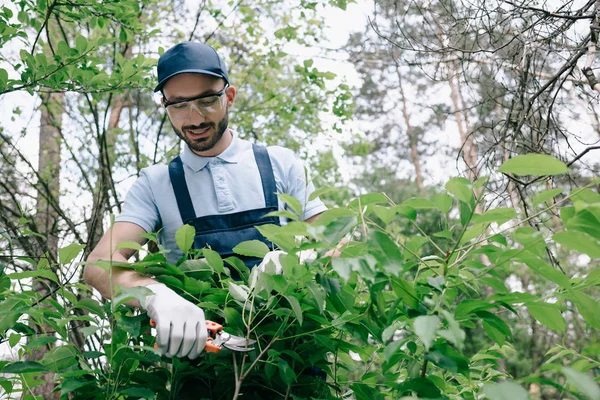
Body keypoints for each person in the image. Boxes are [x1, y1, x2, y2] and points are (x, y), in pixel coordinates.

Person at [83, 42, 327, 361]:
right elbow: (98, 266)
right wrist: (156, 295)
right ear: (164, 106)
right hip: (201, 370)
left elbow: (337, 242)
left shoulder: (281, 163)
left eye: (207, 100)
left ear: (229, 96)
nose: (194, 117)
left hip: (295, 361)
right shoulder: (155, 184)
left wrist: (302, 258)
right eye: (179, 105)